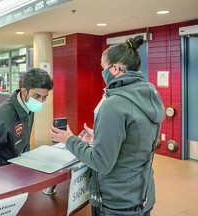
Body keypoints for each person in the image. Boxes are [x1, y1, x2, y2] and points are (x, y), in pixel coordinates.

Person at [51, 35, 165, 216]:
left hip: (116, 201)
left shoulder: (114, 103)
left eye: (103, 68)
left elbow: (101, 163)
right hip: (142, 195)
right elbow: (135, 140)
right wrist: (101, 137)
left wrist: (69, 140)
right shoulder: (149, 95)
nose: (102, 73)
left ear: (115, 68)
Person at [0, 68, 53, 169]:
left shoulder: (28, 107)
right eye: (36, 96)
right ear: (24, 91)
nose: (40, 101)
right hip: (0, 173)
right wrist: (8, 167)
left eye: (44, 97)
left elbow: (24, 142)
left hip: (18, 167)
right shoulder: (3, 116)